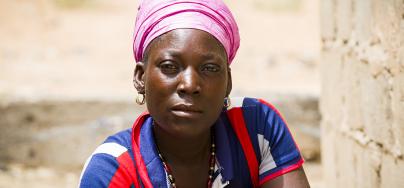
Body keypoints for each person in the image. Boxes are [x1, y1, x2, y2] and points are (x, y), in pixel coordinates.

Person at [78, 0, 310, 187]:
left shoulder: (257, 129)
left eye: (209, 68)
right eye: (169, 66)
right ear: (140, 78)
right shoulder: (111, 169)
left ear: (228, 82)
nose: (189, 85)